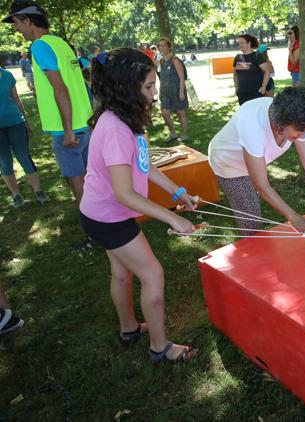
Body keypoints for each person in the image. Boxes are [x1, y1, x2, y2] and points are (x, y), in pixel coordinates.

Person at [80, 48, 199, 363]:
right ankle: (160, 348)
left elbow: (146, 166)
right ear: (125, 88)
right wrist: (172, 219)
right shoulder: (116, 129)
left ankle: (130, 328)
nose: (154, 92)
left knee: (121, 273)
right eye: (148, 87)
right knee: (152, 274)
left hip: (102, 214)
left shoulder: (128, 119)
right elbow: (124, 194)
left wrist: (179, 194)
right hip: (108, 217)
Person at [207, 87, 305, 234]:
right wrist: (293, 217)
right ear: (280, 123)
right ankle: (252, 251)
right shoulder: (253, 126)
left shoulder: (298, 121)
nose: (303, 135)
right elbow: (262, 185)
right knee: (251, 221)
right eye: (300, 131)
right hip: (228, 163)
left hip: (251, 158)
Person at [3, 1, 93, 203]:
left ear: (28, 20)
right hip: (84, 123)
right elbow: (81, 83)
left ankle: (94, 229)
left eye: (16, 22)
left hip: (67, 130)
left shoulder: (40, 46)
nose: (16, 28)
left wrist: (68, 129)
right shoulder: (60, 42)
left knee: (77, 182)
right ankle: (105, 222)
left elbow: (60, 88)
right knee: (90, 179)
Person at [0, 64, 50, 207]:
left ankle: (39, 192)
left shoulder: (7, 75)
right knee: (5, 162)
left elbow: (16, 100)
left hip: (15, 122)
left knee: (24, 157)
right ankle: (16, 195)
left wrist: (26, 122)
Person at [157, 37, 189, 142]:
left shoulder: (175, 60)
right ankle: (173, 133)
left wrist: (181, 92)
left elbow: (182, 78)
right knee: (165, 113)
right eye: (160, 46)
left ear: (169, 47)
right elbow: (161, 77)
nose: (162, 47)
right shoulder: (160, 61)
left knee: (181, 113)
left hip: (177, 91)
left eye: (164, 45)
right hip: (165, 92)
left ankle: (184, 135)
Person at [233, 33, 272, 106]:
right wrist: (236, 87)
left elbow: (267, 71)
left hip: (256, 93)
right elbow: (235, 74)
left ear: (249, 43)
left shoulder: (256, 56)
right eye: (239, 43)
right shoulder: (238, 57)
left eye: (242, 43)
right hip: (242, 94)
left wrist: (263, 87)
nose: (240, 45)